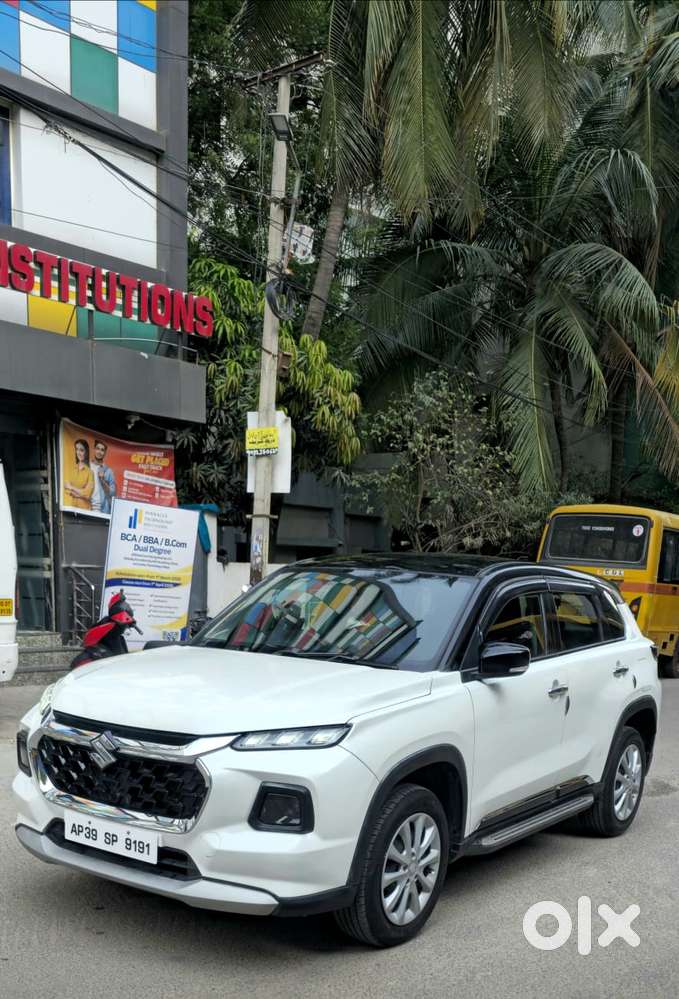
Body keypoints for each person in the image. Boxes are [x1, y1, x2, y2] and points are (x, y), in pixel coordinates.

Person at [64, 439, 94, 510]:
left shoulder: (90, 472)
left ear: (86, 452)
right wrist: (81, 493)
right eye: (77, 449)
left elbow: (88, 494)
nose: (78, 452)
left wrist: (71, 487)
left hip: (85, 509)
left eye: (81, 450)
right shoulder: (72, 469)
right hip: (73, 507)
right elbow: (66, 489)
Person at [90, 439, 116, 515]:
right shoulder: (87, 467)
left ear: (105, 453)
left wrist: (102, 480)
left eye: (102, 450)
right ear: (94, 449)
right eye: (97, 448)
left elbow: (112, 493)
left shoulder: (108, 471)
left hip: (102, 510)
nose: (99, 452)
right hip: (86, 507)